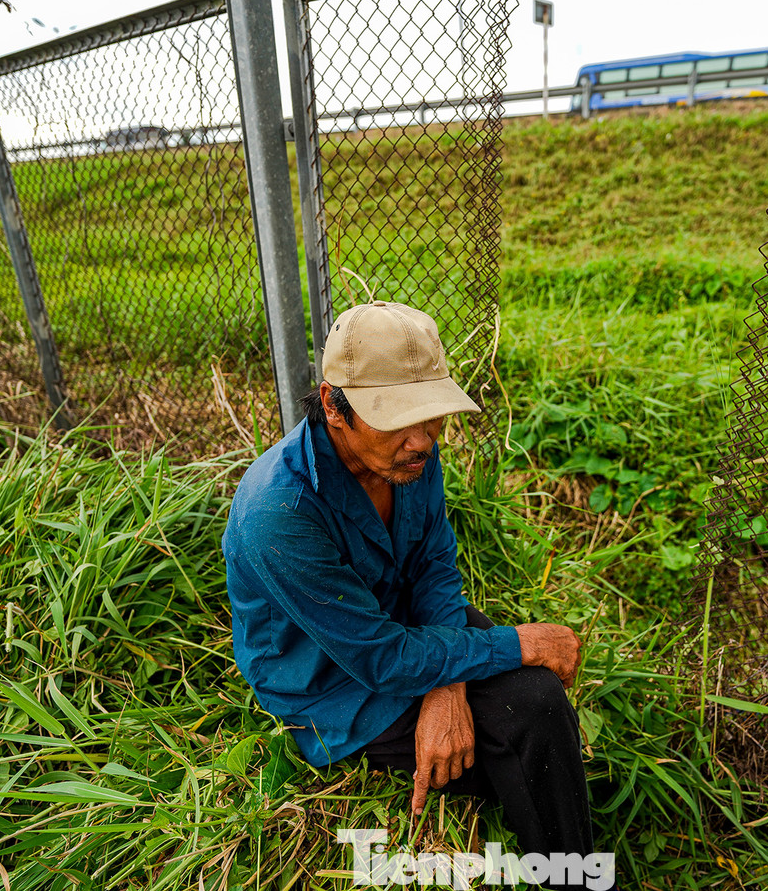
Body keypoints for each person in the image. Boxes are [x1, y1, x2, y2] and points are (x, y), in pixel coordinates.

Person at [222, 301, 607, 888]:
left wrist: (446, 683)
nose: (422, 440)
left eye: (432, 417)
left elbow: (432, 571)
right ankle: (570, 872)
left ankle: (567, 864)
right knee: (528, 720)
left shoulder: (410, 458)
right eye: (398, 417)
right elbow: (377, 658)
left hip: (404, 630)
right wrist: (514, 644)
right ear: (332, 404)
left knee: (539, 706)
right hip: (333, 681)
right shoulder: (279, 511)